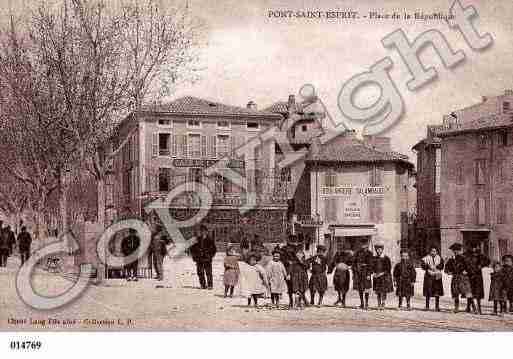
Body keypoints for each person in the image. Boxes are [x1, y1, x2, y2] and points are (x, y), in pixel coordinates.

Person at [445, 243, 473, 313]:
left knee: (467, 292)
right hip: (455, 277)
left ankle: (471, 307)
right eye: (454, 250)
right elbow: (446, 269)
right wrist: (448, 272)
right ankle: (456, 307)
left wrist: (467, 272)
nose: (455, 252)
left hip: (463, 278)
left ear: (460, 250)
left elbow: (470, 268)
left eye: (457, 250)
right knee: (455, 293)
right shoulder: (451, 259)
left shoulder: (464, 258)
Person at [464, 244, 490, 315]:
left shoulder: (480, 255)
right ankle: (469, 307)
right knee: (469, 291)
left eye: (475, 247)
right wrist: (464, 269)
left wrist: (481, 265)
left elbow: (488, 261)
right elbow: (463, 263)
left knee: (478, 293)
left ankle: (479, 308)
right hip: (469, 275)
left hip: (478, 276)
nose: (474, 249)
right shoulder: (466, 255)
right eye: (472, 247)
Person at [190, 225, 217, 290]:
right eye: (201, 231)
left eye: (204, 231)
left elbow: (214, 249)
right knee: (200, 272)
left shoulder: (210, 240)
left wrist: (210, 256)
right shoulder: (197, 239)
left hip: (207, 259)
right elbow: (192, 248)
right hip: (199, 259)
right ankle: (203, 284)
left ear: (207, 232)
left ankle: (210, 285)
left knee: (208, 272)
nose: (203, 232)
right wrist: (194, 256)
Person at [421, 246, 444, 311]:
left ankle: (437, 306)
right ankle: (427, 306)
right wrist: (428, 267)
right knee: (428, 291)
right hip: (429, 276)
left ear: (437, 252)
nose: (433, 252)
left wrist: (436, 267)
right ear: (430, 251)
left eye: (435, 251)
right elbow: (423, 266)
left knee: (437, 292)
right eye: (432, 251)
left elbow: (442, 266)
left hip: (437, 276)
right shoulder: (426, 258)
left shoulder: (439, 258)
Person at [372, 242, 394, 310]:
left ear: (382, 250)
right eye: (377, 249)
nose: (379, 250)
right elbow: (372, 266)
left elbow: (388, 268)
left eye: (380, 249)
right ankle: (378, 304)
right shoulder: (374, 258)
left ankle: (383, 303)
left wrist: (381, 273)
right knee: (378, 291)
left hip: (384, 277)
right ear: (376, 250)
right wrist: (373, 273)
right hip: (376, 277)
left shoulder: (386, 258)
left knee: (383, 291)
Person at [352, 242, 374, 310]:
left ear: (367, 245)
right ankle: (362, 303)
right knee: (360, 289)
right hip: (358, 272)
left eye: (365, 245)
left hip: (366, 272)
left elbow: (371, 264)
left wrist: (369, 274)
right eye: (362, 245)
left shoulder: (370, 253)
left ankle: (366, 304)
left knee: (366, 288)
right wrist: (354, 272)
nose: (363, 246)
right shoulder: (357, 253)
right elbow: (354, 263)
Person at [280, 235, 299, 308]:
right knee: (291, 286)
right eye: (292, 240)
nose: (293, 242)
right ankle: (292, 301)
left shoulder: (297, 249)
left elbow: (301, 258)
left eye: (294, 240)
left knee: (293, 286)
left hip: (296, 269)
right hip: (289, 269)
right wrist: (287, 261)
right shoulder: (284, 249)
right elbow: (281, 258)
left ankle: (295, 302)